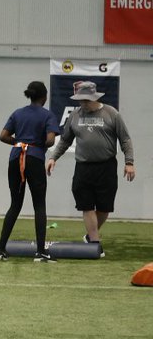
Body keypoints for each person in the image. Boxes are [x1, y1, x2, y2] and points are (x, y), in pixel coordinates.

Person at [45, 80, 135, 257]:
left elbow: (125, 139)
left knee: (104, 207)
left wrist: (129, 162)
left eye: (86, 100)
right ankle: (95, 242)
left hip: (106, 166)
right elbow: (65, 140)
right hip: (83, 167)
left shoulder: (111, 114)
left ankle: (89, 235)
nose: (83, 103)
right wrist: (53, 157)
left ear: (94, 97)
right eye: (80, 100)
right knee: (86, 205)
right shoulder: (75, 115)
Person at [0, 81, 60, 262]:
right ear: (44, 97)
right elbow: (50, 141)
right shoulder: (47, 115)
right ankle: (40, 252)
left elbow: (3, 136)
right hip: (34, 159)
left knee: (15, 204)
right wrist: (36, 144)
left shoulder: (18, 113)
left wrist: (20, 142)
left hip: (16, 157)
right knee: (39, 205)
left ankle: (0, 250)